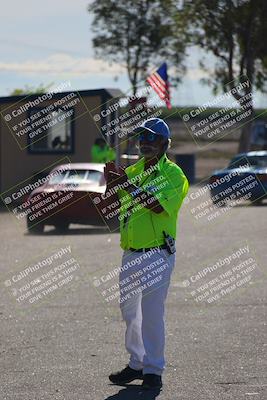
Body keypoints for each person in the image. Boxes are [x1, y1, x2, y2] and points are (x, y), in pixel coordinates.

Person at [103, 118, 189, 390]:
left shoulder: (174, 174)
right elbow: (110, 204)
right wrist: (111, 182)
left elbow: (157, 206)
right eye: (142, 138)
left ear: (165, 144)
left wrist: (125, 184)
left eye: (151, 138)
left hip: (157, 254)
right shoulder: (133, 170)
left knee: (151, 313)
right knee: (129, 313)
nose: (145, 143)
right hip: (130, 252)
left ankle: (154, 370)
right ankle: (136, 363)